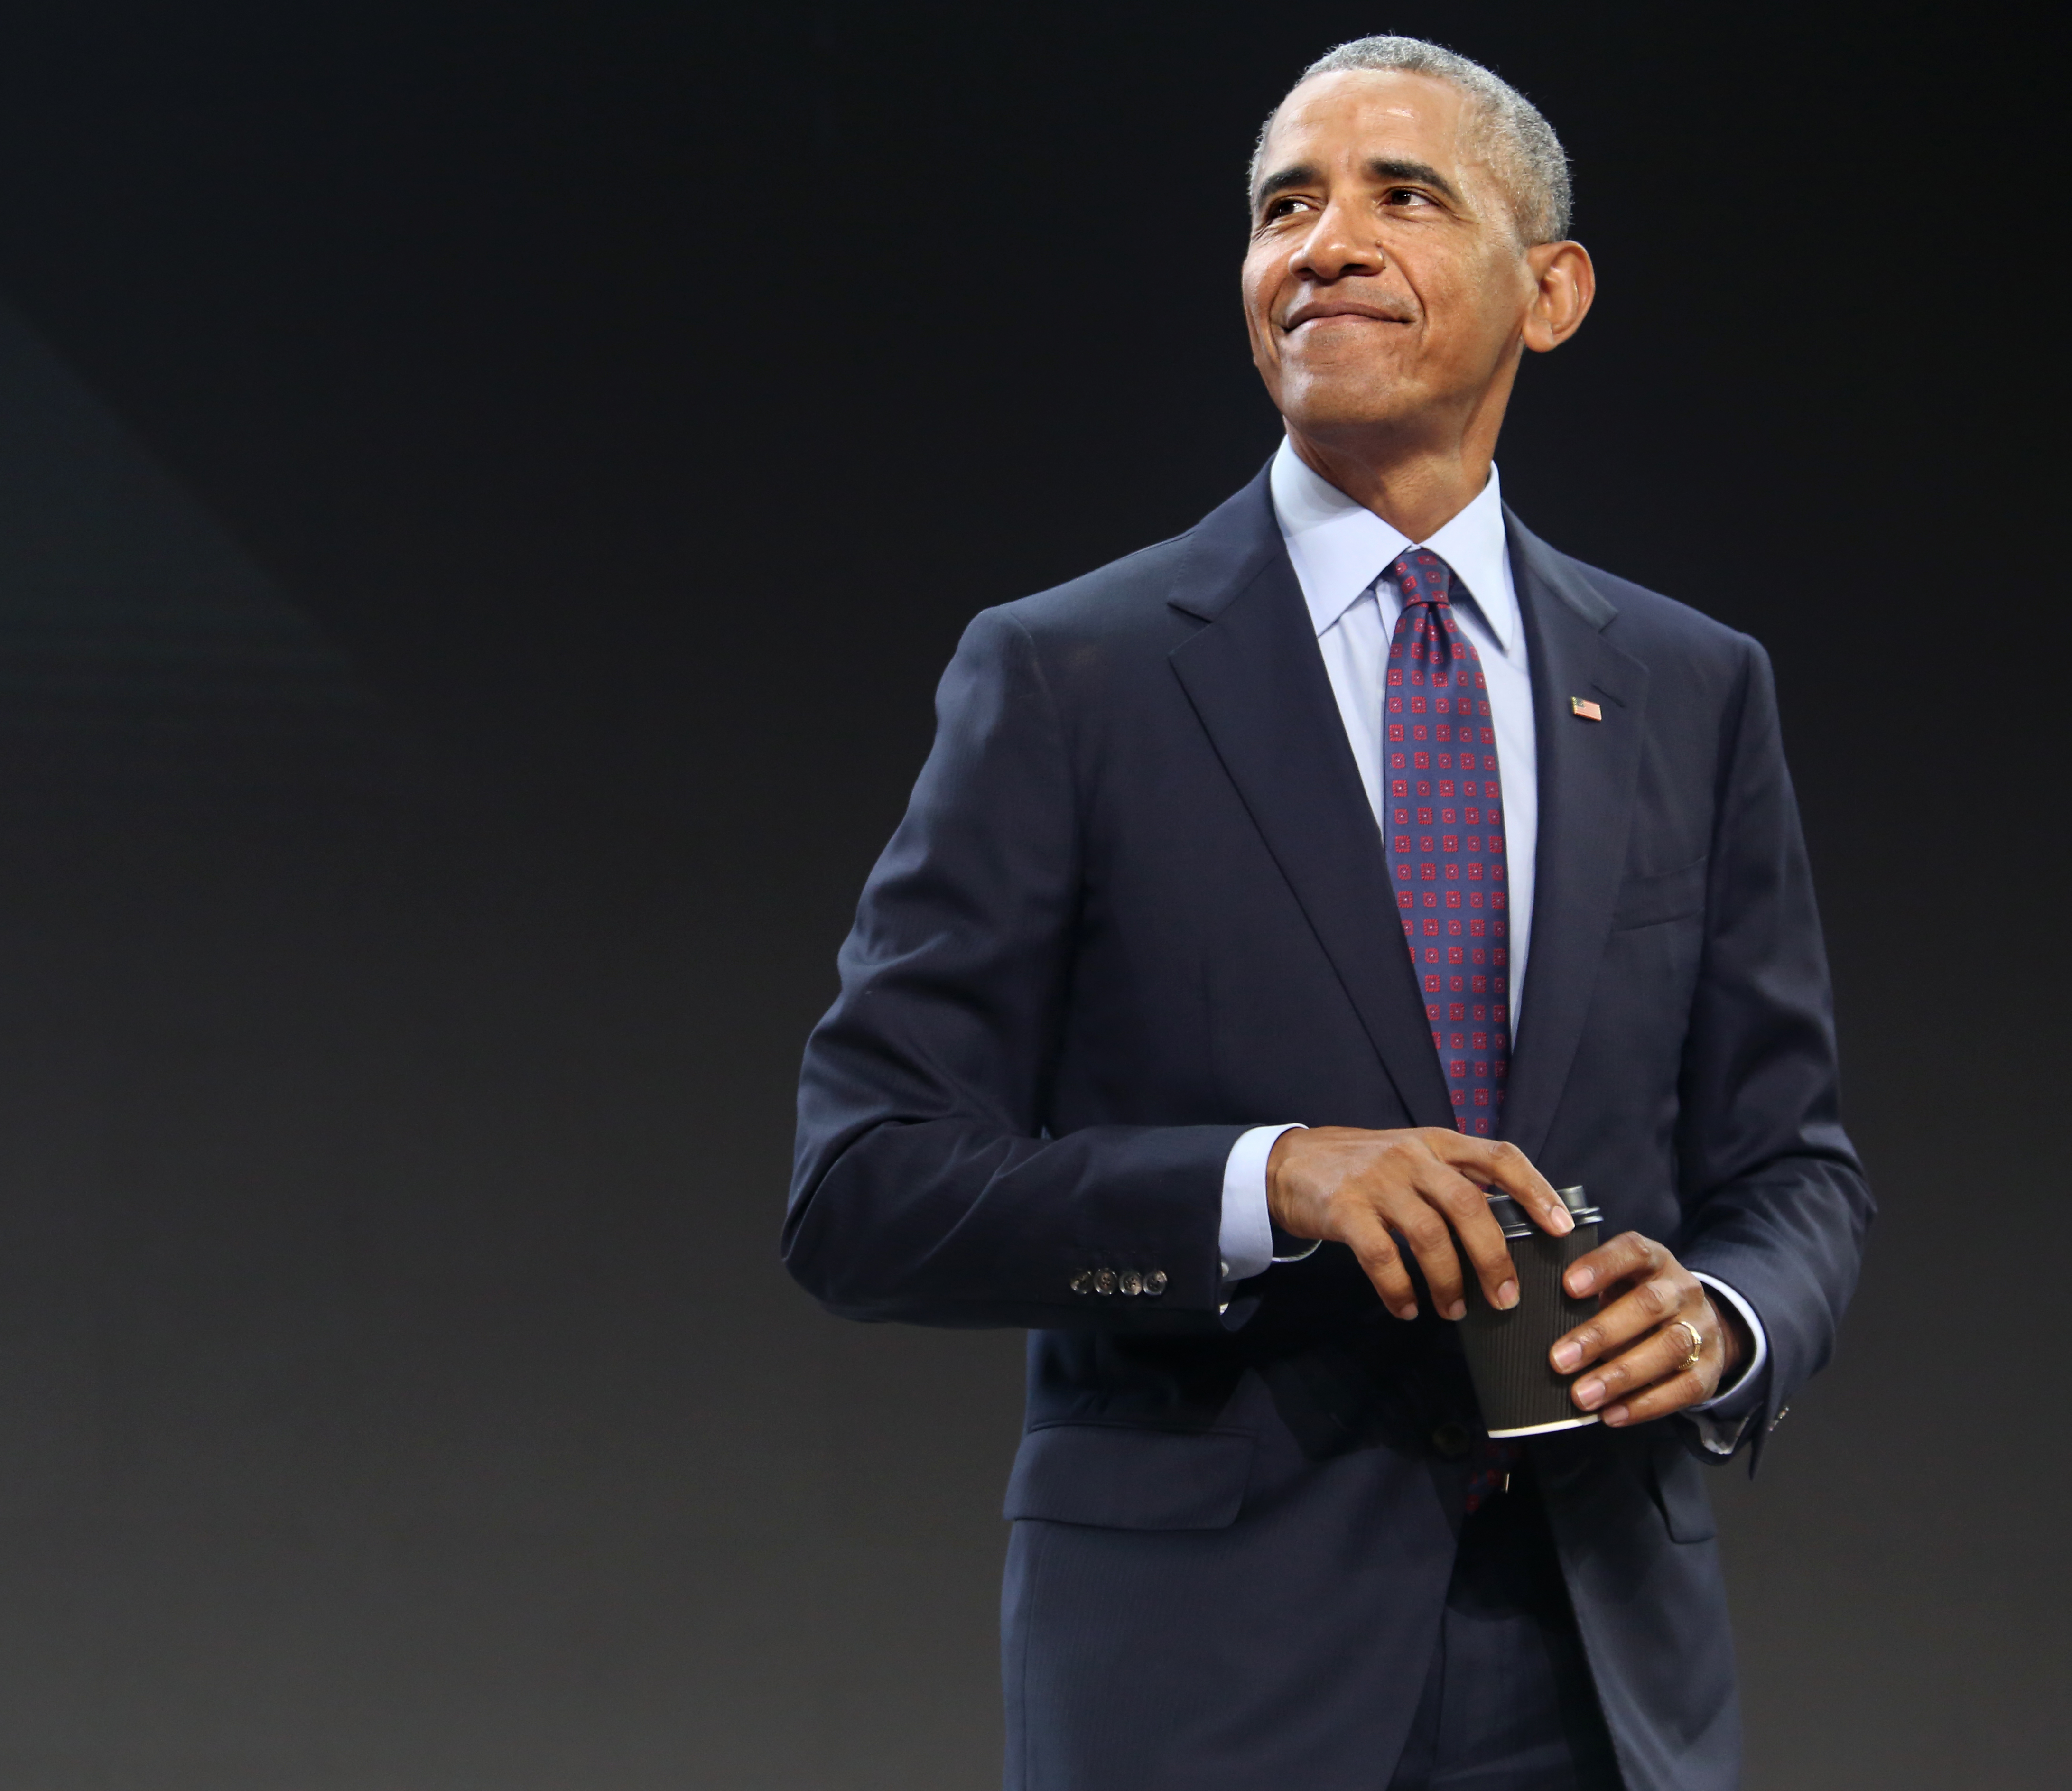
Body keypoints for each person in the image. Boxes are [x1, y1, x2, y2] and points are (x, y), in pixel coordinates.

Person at [785, 35, 1869, 1791]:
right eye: (1285, 205)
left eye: (1403, 196)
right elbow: (862, 1188)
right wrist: (1263, 1178)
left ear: (1553, 293)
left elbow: (1794, 1167)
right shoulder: (1070, 675)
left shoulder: (1692, 688)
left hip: (1602, 1670)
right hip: (1207, 1680)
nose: (1328, 242)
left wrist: (1727, 1319)